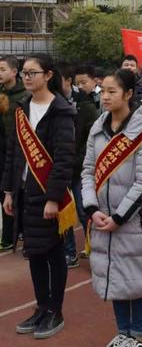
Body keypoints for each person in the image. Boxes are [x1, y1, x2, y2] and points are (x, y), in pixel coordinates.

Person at [82, 69, 142, 347]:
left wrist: (118, 217)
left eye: (112, 91)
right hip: (102, 218)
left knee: (135, 279)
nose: (105, 97)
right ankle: (122, 332)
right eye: (103, 91)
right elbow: (88, 171)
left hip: (133, 222)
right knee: (112, 275)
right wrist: (92, 208)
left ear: (128, 94)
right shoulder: (97, 127)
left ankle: (137, 335)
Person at [2, 53, 76, 339]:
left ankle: (55, 309)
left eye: (33, 72)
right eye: (25, 73)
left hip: (47, 196)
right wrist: (9, 190)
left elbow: (64, 158)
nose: (27, 77)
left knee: (53, 252)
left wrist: (54, 197)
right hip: (23, 193)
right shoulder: (21, 108)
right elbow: (13, 152)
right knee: (33, 252)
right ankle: (41, 307)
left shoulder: (61, 111)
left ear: (48, 75)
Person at [57, 61, 99, 267]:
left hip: (80, 168)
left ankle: (94, 249)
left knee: (84, 210)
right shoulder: (51, 103)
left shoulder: (86, 105)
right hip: (60, 168)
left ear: (67, 81)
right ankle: (69, 252)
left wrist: (77, 161)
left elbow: (91, 141)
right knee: (63, 210)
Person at [0, 55, 27, 251]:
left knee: (16, 195)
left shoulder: (24, 96)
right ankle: (8, 236)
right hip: (2, 151)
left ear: (14, 72)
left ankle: (17, 233)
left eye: (2, 69)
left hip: (18, 152)